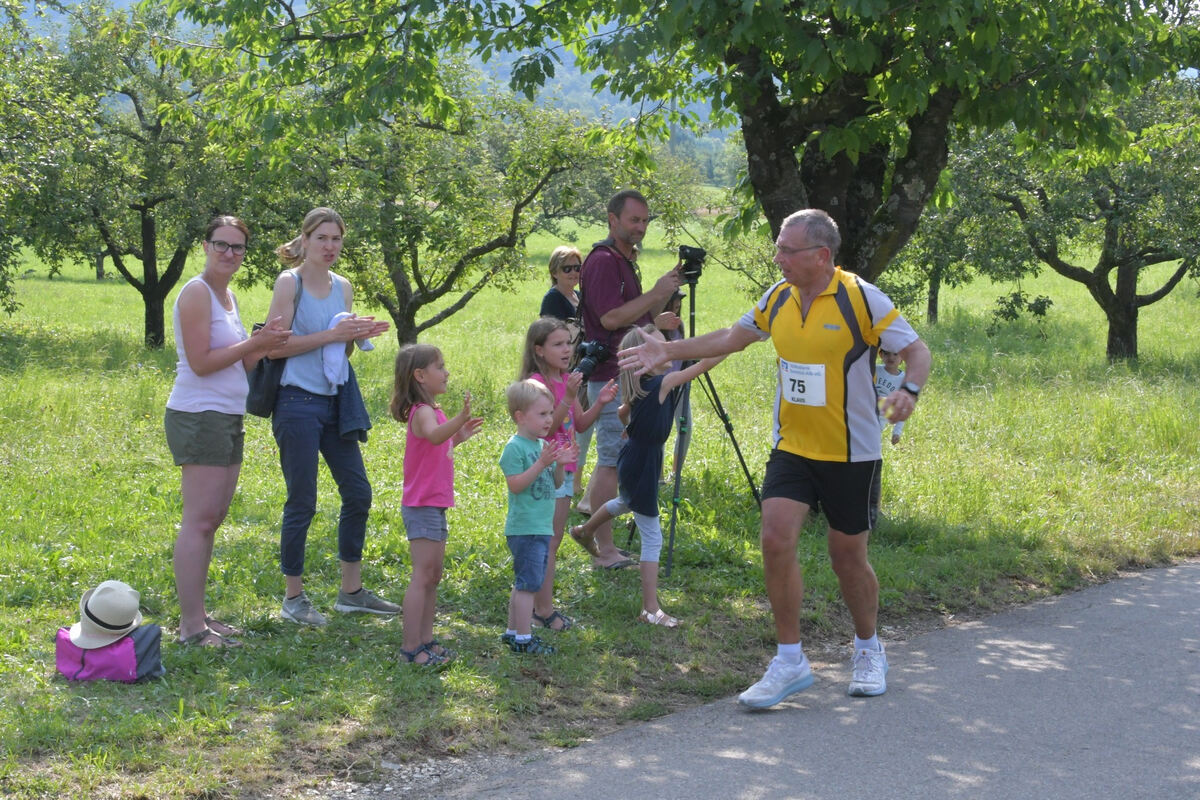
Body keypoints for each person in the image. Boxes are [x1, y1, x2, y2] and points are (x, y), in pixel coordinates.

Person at [618, 208, 931, 707]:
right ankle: (789, 661)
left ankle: (869, 648)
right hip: (792, 446)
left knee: (847, 557)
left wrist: (910, 391)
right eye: (778, 247)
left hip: (851, 452)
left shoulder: (861, 298)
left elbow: (917, 351)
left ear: (821, 255)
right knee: (774, 537)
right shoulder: (778, 297)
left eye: (787, 250)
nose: (777, 257)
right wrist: (668, 354)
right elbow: (729, 339)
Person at [263, 207, 396, 627]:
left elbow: (339, 353)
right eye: (322, 238)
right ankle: (293, 598)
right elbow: (272, 348)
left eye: (336, 239)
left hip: (335, 403)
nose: (330, 246)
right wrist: (333, 334)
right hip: (295, 403)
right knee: (302, 500)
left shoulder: (344, 287)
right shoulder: (290, 282)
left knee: (358, 493)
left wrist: (353, 337)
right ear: (304, 239)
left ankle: (351, 592)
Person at [165, 215, 290, 647]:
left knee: (212, 519)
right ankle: (191, 628)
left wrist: (264, 346)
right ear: (205, 245)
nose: (229, 254)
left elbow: (238, 362)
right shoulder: (197, 293)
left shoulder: (228, 296)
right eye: (221, 244)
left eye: (237, 247)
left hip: (226, 414)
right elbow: (200, 363)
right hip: (199, 414)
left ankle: (199, 617)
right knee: (198, 521)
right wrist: (254, 345)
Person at [569, 326, 723, 628]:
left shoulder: (642, 385)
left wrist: (630, 429)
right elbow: (702, 365)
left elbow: (624, 410)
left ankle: (584, 530)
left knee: (625, 501)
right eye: (661, 346)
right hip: (643, 461)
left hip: (634, 456)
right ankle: (650, 609)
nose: (668, 351)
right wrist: (733, 345)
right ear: (645, 357)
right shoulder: (662, 384)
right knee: (652, 537)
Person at [577, 189, 681, 567]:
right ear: (612, 219)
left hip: (628, 370)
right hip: (611, 374)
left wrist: (656, 311)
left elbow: (630, 317)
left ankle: (604, 542)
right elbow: (609, 320)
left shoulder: (624, 260)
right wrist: (655, 292)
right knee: (609, 460)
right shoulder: (604, 261)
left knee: (614, 456)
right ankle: (603, 550)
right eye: (634, 220)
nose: (640, 227)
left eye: (645, 221)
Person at [518, 317, 618, 631]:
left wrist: (599, 402)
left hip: (565, 467)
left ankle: (541, 605)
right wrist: (569, 397)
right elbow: (548, 426)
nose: (567, 350)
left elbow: (580, 424)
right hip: (546, 469)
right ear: (539, 350)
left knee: (553, 539)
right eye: (558, 344)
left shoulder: (565, 380)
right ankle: (542, 610)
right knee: (547, 541)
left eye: (569, 344)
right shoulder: (536, 384)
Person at [390, 343, 483, 666]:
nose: (446, 372)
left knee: (433, 575)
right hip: (422, 505)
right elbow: (432, 436)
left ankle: (425, 640)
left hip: (434, 504)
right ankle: (410, 647)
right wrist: (459, 419)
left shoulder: (433, 410)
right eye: (440, 367)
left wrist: (459, 435)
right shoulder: (424, 412)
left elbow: (438, 445)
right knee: (422, 575)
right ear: (420, 375)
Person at [499, 379, 577, 654]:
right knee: (528, 586)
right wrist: (542, 462)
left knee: (524, 582)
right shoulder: (516, 448)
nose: (549, 419)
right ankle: (524, 639)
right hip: (526, 528)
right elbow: (516, 485)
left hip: (540, 526)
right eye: (542, 414)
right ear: (520, 417)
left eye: (550, 413)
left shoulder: (541, 445)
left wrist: (559, 465)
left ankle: (511, 632)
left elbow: (555, 484)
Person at [539, 245, 583, 324]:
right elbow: (553, 333)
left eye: (577, 268)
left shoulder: (579, 295)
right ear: (554, 273)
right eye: (567, 269)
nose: (573, 272)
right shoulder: (552, 299)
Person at [875, 348, 907, 446]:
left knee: (870, 444)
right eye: (887, 353)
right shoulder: (875, 369)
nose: (891, 357)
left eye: (895, 354)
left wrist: (896, 432)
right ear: (880, 355)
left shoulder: (903, 380)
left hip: (879, 420)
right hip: (863, 412)